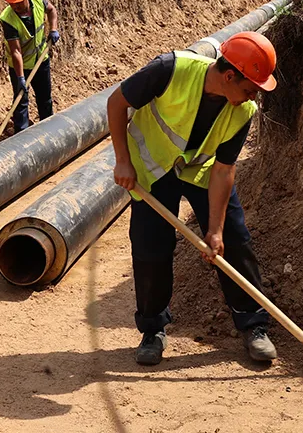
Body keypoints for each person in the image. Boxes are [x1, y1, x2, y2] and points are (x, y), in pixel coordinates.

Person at [106, 31, 279, 366]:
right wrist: (123, 160)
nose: (251, 96)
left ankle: (253, 325)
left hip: (201, 171)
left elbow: (224, 169)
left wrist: (213, 229)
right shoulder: (170, 69)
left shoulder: (243, 111)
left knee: (234, 238)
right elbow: (117, 102)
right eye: (249, 88)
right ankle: (152, 329)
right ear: (229, 75)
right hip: (153, 168)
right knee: (151, 248)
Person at [0, 0, 59, 133]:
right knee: (21, 102)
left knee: (45, 99)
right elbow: (16, 51)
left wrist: (53, 29)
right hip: (20, 66)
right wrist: (20, 78)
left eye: (19, 2)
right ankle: (21, 135)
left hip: (41, 60)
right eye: (12, 4)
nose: (16, 7)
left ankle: (49, 131)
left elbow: (52, 10)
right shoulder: (8, 19)